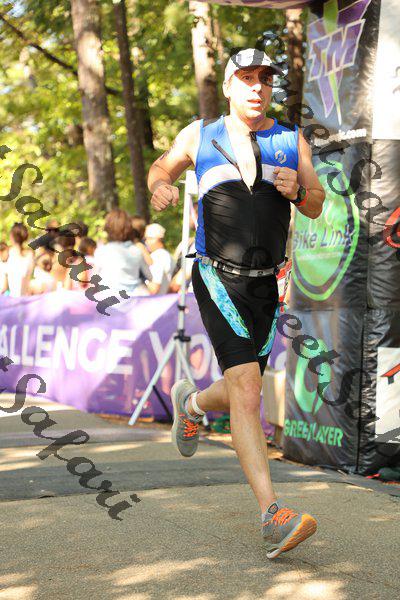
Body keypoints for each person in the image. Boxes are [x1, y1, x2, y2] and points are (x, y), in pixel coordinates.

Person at [147, 48, 325, 560]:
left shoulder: (290, 139)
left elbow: (316, 203)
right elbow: (161, 168)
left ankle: (192, 404)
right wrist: (160, 185)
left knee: (240, 387)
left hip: (268, 285)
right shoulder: (199, 134)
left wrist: (300, 193)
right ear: (228, 86)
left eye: (264, 80)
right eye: (246, 79)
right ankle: (272, 514)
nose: (256, 88)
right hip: (216, 276)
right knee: (248, 389)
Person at [94, 208, 152, 296]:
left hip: (108, 299)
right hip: (133, 299)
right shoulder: (136, 251)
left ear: (107, 228)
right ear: (129, 228)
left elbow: (95, 280)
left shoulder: (100, 251)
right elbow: (150, 276)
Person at [1, 223, 34, 296]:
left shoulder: (8, 254)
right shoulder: (30, 254)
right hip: (26, 299)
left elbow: (3, 287)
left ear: (11, 237)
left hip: (13, 299)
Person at [144, 223, 174, 295]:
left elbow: (154, 288)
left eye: (150, 238)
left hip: (155, 299)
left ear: (160, 239)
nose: (146, 242)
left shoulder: (159, 256)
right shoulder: (164, 254)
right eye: (146, 239)